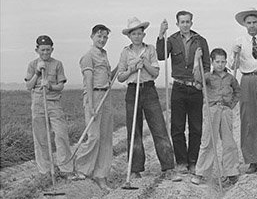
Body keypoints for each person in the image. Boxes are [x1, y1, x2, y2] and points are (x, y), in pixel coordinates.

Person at [117, 17, 180, 182]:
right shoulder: (125, 52)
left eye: (139, 33)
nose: (137, 36)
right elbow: (121, 77)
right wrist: (132, 68)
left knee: (159, 128)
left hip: (149, 90)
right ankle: (135, 169)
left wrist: (144, 63)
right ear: (129, 36)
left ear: (143, 34)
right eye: (134, 34)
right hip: (132, 91)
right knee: (134, 130)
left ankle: (168, 167)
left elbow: (155, 72)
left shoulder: (150, 49)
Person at [156, 11, 210, 173]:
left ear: (191, 23)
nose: (185, 25)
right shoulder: (171, 40)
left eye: (188, 22)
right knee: (177, 127)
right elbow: (161, 56)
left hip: (196, 88)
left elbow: (206, 65)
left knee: (196, 127)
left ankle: (193, 161)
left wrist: (202, 82)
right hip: (178, 87)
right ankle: (181, 161)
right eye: (182, 22)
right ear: (177, 24)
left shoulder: (201, 41)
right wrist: (160, 34)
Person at [192, 47, 241, 186]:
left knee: (229, 141)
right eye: (217, 61)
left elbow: (237, 91)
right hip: (211, 109)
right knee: (207, 141)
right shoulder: (207, 76)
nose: (220, 64)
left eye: (223, 61)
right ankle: (201, 173)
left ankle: (231, 172)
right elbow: (197, 79)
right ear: (212, 62)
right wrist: (197, 60)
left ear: (226, 62)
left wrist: (231, 105)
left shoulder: (230, 78)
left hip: (225, 110)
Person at [24, 34, 71, 178]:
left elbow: (61, 86)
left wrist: (50, 86)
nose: (46, 53)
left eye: (48, 50)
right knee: (41, 138)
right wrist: (37, 73)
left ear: (52, 49)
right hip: (38, 103)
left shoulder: (58, 64)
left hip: (54, 103)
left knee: (61, 135)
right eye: (43, 50)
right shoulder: (32, 65)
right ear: (37, 49)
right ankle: (46, 171)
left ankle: (66, 169)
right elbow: (28, 86)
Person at [77, 23, 115, 189]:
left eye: (105, 37)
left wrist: (120, 67)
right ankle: (81, 169)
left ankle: (101, 175)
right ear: (92, 37)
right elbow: (89, 81)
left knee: (106, 137)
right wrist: (91, 105)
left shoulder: (104, 54)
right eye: (99, 36)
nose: (102, 39)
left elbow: (108, 77)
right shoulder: (88, 56)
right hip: (94, 96)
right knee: (94, 136)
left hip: (106, 96)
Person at [232, 7, 257, 174]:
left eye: (255, 22)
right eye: (249, 23)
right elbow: (233, 66)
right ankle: (252, 160)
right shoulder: (239, 41)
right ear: (244, 24)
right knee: (248, 121)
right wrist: (235, 54)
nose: (252, 25)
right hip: (246, 80)